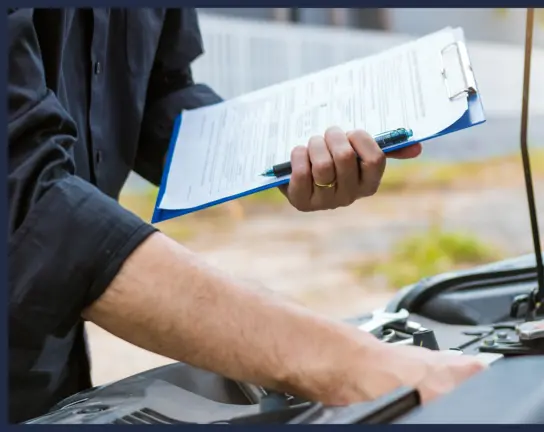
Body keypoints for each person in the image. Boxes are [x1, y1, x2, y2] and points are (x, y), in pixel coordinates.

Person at [8, 8, 485, 423]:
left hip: (50, 356)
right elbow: (31, 206)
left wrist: (286, 149)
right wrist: (354, 364)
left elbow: (161, 92)